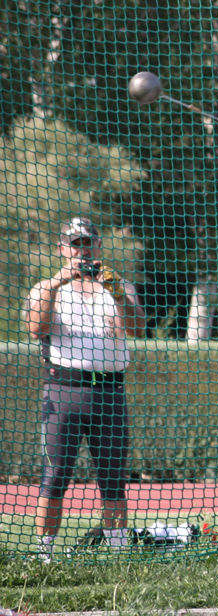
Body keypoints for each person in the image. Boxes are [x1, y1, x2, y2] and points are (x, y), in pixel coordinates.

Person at [24, 218, 146, 562]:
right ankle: (44, 555)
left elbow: (136, 328)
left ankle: (120, 555)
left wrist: (116, 291)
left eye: (88, 243)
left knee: (112, 477)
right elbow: (36, 328)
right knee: (55, 475)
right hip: (63, 392)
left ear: (99, 245)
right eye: (75, 244)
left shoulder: (118, 285)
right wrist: (56, 283)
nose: (82, 251)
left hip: (109, 393)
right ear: (62, 249)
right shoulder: (46, 288)